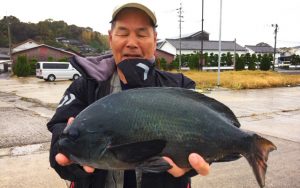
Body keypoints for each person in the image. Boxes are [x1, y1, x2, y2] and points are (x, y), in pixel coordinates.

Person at [47, 2, 210, 188]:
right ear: (110, 38)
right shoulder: (85, 87)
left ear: (155, 39)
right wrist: (71, 157)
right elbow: (59, 132)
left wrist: (194, 165)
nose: (132, 43)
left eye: (141, 34)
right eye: (123, 33)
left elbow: (205, 133)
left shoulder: (180, 86)